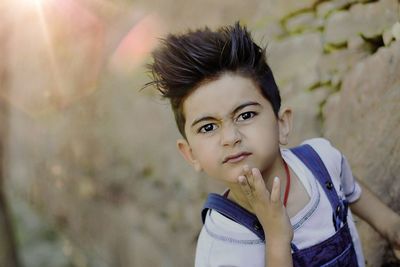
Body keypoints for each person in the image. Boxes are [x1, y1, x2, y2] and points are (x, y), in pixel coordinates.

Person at [145, 22, 400, 266]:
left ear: (282, 124)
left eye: (245, 115)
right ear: (191, 155)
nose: (230, 137)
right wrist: (276, 238)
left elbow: (352, 190)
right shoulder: (221, 246)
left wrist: (391, 227)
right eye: (208, 127)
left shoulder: (321, 163)